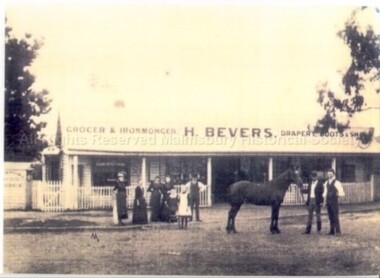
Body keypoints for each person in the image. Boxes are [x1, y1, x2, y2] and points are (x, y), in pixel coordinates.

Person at [323, 168, 345, 236]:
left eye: (330, 174)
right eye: (328, 174)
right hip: (328, 201)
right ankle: (332, 231)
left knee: (335, 216)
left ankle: (338, 231)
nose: (329, 175)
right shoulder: (326, 183)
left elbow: (342, 192)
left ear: (333, 174)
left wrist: (337, 195)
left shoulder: (337, 182)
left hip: (334, 201)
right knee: (330, 216)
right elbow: (325, 193)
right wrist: (324, 202)